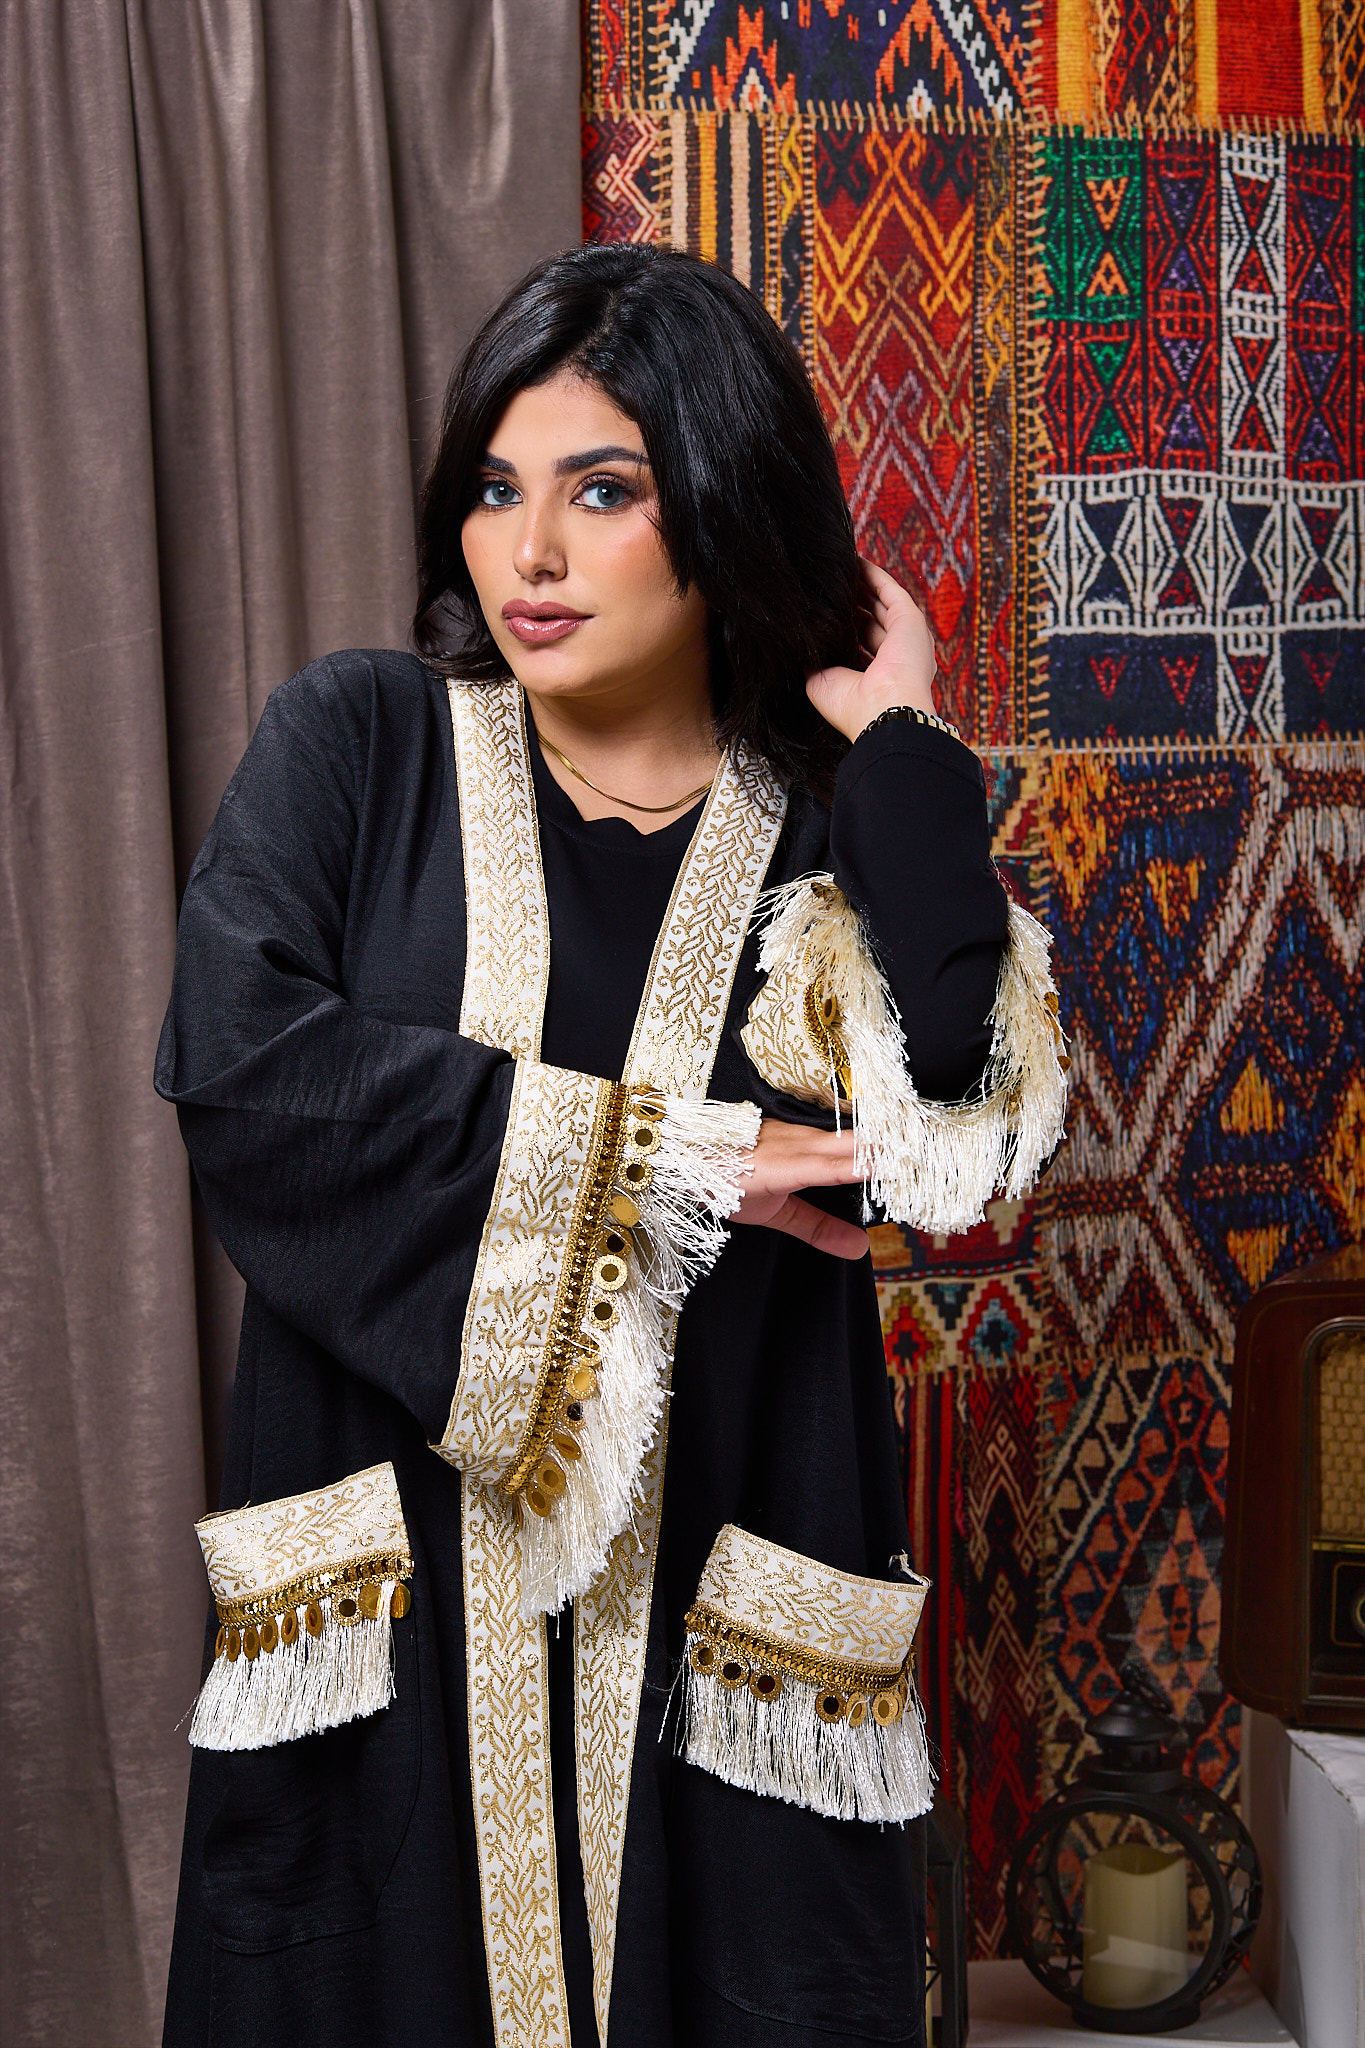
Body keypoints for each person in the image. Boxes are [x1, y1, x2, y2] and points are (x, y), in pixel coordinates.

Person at [157, 243, 1066, 2048]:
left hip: (718, 1573)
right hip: (405, 1605)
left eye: (600, 491)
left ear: (718, 505)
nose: (530, 555)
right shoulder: (361, 746)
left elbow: (960, 1123)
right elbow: (243, 1069)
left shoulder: (823, 822)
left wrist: (899, 737)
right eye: (495, 491)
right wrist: (675, 1161)